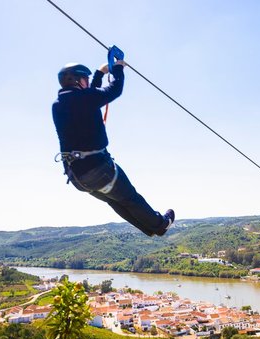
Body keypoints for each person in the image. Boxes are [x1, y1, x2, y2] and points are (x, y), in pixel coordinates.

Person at [52, 59, 174, 236]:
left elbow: (91, 96)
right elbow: (114, 90)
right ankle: (160, 224)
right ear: (77, 80)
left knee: (116, 201)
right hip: (98, 170)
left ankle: (149, 228)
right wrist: (118, 68)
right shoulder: (84, 99)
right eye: (86, 79)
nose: (88, 81)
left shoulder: (59, 104)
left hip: (78, 177)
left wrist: (100, 73)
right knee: (130, 198)